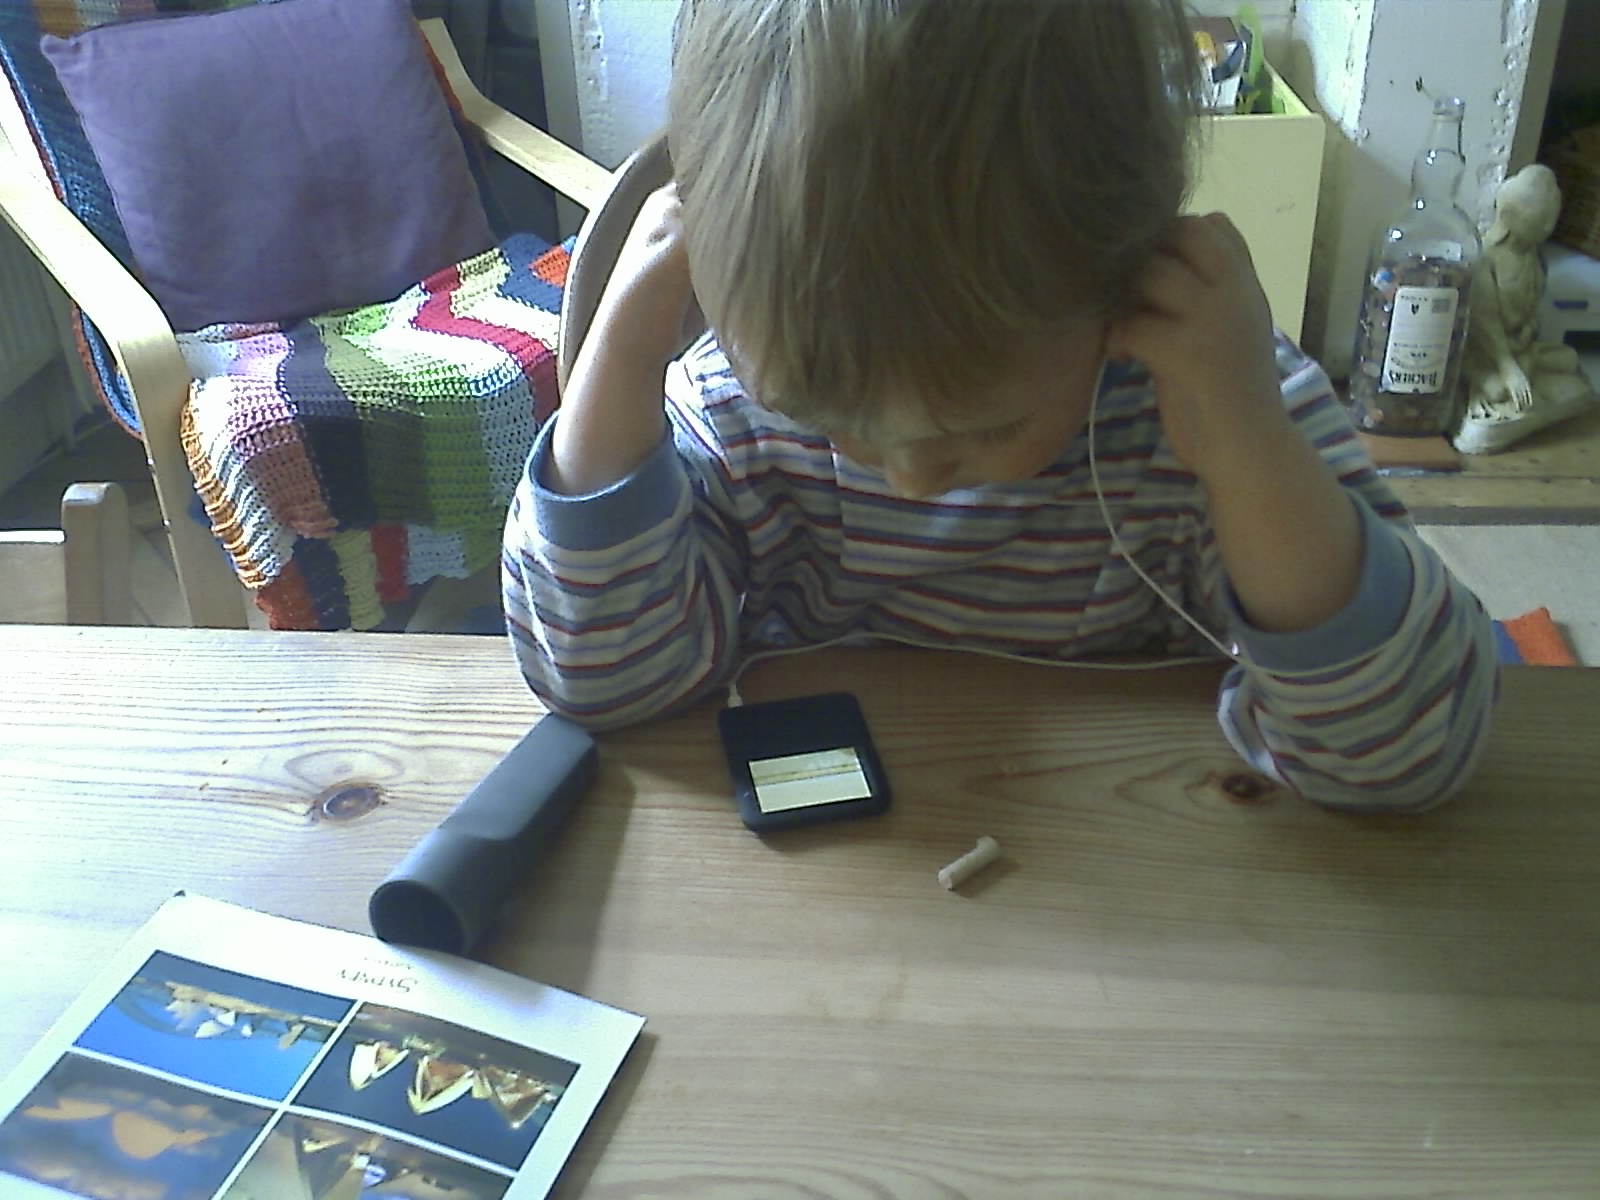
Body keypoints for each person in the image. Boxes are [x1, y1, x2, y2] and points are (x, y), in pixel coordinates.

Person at [503, 0, 1498, 812]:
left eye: (978, 428)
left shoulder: (1212, 408)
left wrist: (1247, 452)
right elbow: (606, 684)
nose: (908, 472)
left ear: (1127, 282)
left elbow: (1402, 753)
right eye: (819, 407)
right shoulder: (732, 417)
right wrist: (623, 347)